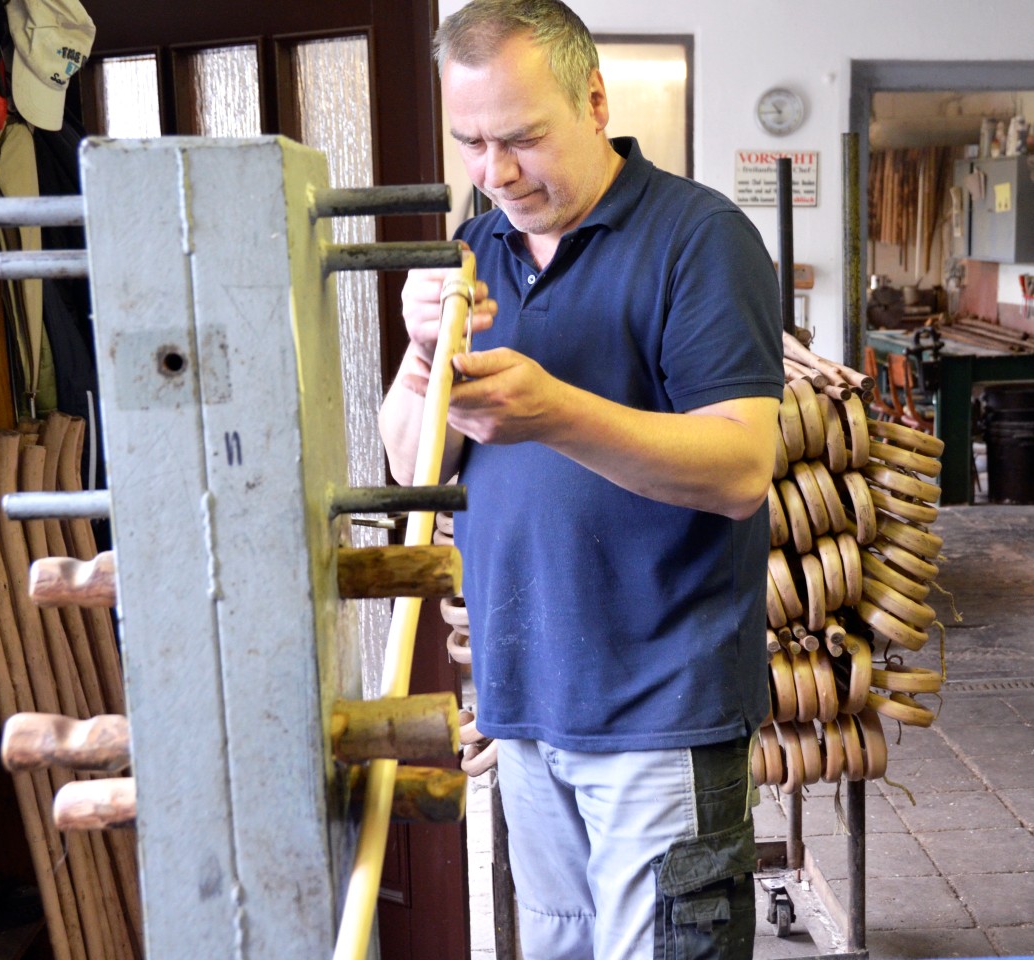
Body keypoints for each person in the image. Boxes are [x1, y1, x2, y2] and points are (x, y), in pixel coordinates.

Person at [379, 1, 784, 956]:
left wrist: (553, 411)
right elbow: (412, 465)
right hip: (523, 700)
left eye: (522, 138)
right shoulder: (473, 249)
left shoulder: (700, 239)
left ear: (594, 102)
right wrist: (415, 356)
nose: (496, 173)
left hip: (660, 706)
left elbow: (740, 467)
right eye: (471, 142)